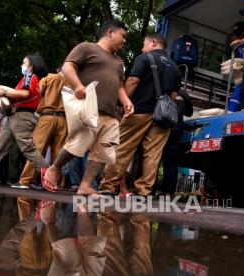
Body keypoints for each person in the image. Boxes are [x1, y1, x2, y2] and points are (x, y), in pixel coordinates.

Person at [41, 20, 133, 196]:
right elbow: (68, 66)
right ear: (110, 32)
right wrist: (77, 86)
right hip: (89, 107)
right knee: (79, 142)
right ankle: (55, 168)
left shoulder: (119, 61)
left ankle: (86, 185)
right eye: (123, 36)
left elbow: (120, 86)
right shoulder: (87, 47)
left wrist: (126, 101)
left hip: (112, 112)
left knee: (103, 150)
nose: (124, 41)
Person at [100, 32, 182, 197]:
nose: (142, 48)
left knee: (122, 148)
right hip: (162, 117)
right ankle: (144, 192)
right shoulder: (175, 68)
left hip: (139, 111)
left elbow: (132, 81)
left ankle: (108, 187)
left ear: (153, 43)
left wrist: (123, 103)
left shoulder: (144, 58)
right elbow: (173, 97)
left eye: (144, 44)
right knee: (153, 154)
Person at [0, 54, 50, 184]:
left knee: (27, 147)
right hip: (17, 115)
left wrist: (3, 93)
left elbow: (25, 93)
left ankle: (48, 175)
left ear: (31, 66)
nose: (22, 65)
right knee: (0, 144)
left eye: (24, 63)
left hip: (22, 116)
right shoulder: (31, 78)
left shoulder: (29, 76)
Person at [12, 70, 68, 189]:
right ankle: (52, 183)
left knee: (37, 149)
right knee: (58, 153)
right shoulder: (73, 83)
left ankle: (26, 181)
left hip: (47, 116)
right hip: (64, 119)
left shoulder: (49, 77)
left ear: (59, 70)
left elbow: (36, 93)